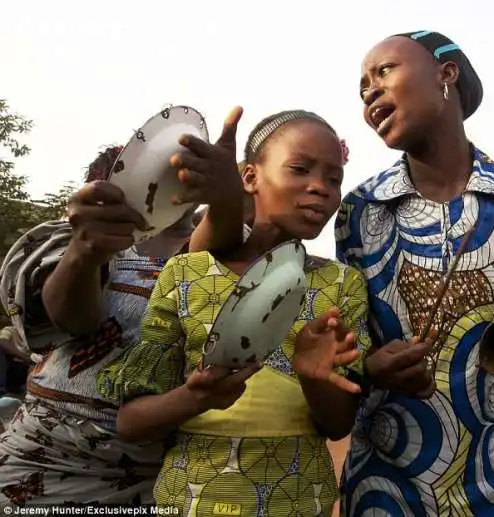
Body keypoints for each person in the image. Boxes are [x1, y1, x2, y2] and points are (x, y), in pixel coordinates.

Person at [335, 31, 494, 516]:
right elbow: (347, 347)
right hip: (386, 484)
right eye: (362, 89)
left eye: (384, 71)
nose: (370, 92)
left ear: (447, 73)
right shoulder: (360, 210)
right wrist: (373, 368)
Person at [99, 110, 370, 516]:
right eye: (300, 169)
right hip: (192, 499)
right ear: (249, 177)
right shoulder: (186, 272)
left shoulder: (341, 284)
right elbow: (132, 423)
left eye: (334, 179)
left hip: (298, 502)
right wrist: (194, 397)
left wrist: (314, 379)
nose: (321, 188)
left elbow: (337, 426)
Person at [0, 109, 244, 505]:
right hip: (46, 463)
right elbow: (71, 318)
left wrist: (228, 196)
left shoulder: (228, 244)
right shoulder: (64, 244)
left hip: (156, 480)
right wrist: (84, 252)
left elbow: (216, 249)